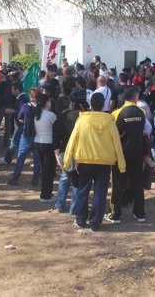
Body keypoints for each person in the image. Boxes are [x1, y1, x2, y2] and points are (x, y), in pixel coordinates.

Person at [64, 93, 126, 231]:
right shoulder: (110, 122)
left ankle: (80, 220)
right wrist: (121, 165)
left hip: (84, 162)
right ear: (103, 104)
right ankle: (95, 223)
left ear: (90, 105)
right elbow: (117, 144)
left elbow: (72, 141)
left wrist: (67, 161)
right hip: (104, 163)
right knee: (100, 193)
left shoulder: (82, 121)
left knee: (83, 191)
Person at [106, 86, 147, 224]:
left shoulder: (116, 114)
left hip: (120, 154)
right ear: (136, 97)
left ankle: (116, 214)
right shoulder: (142, 112)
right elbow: (146, 130)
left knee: (117, 184)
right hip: (137, 153)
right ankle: (140, 213)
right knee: (137, 183)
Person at [53, 96, 81, 213]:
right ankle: (74, 208)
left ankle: (60, 204)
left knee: (65, 178)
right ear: (70, 104)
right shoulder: (79, 115)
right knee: (77, 181)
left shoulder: (57, 121)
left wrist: (59, 161)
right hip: (79, 152)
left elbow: (55, 145)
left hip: (65, 153)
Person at [33, 92, 57, 202]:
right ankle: (46, 195)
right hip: (48, 144)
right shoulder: (51, 115)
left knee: (45, 169)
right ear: (46, 102)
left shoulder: (36, 113)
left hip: (38, 142)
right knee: (49, 171)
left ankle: (46, 193)